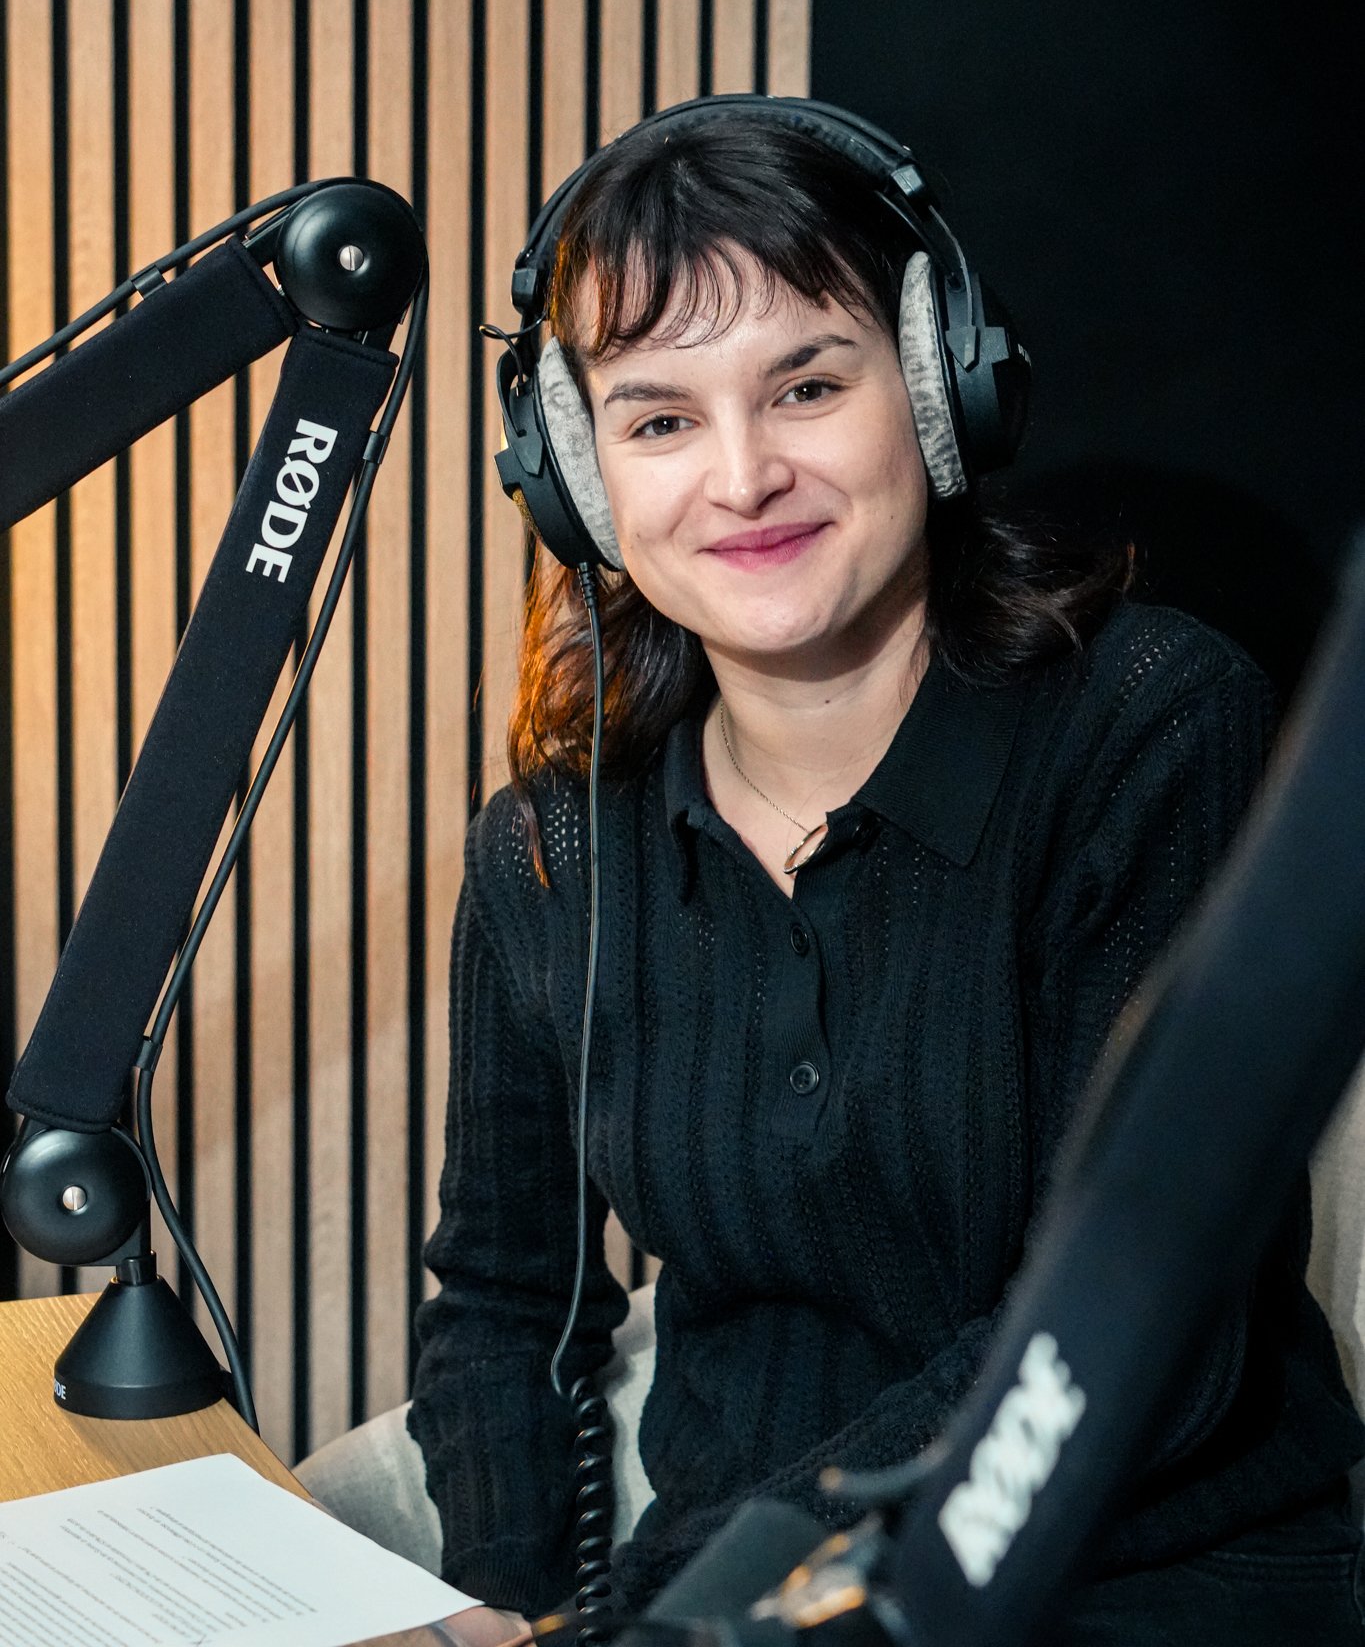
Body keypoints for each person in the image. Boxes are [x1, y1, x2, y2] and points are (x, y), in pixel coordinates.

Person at [405, 102, 1365, 1644]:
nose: (740, 477)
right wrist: (503, 1604)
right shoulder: (552, 846)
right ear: (573, 478)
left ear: (936, 390)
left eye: (805, 385)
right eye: (657, 420)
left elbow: (1132, 1335)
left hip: (1132, 1580)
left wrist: (678, 1608)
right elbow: (509, 1305)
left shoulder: (1147, 727)